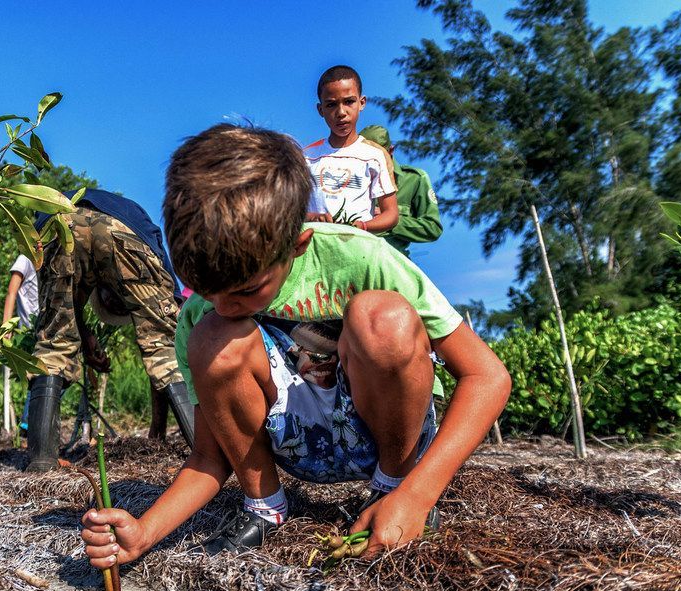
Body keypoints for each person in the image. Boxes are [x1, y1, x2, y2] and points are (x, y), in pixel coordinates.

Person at [80, 124, 510, 567]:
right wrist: (144, 533)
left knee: (383, 319)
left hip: (386, 432)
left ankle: (390, 488)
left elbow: (487, 376)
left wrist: (417, 493)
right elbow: (210, 456)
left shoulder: (361, 256)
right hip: (298, 445)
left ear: (298, 243)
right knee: (212, 336)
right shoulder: (206, 315)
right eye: (207, 292)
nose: (226, 307)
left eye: (246, 291)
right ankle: (266, 506)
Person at [24, 188, 195, 472]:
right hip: (125, 232)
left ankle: (41, 463)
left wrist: (158, 432)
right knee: (165, 346)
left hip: (58, 224)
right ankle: (207, 453)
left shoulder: (90, 278)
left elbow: (66, 313)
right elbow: (167, 338)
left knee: (54, 342)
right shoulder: (135, 217)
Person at [303, 65, 399, 234]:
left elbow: (391, 214)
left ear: (361, 103)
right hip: (313, 247)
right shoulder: (306, 157)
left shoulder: (375, 156)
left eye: (349, 102)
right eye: (331, 105)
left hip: (358, 249)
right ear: (320, 110)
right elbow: (289, 210)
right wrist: (312, 217)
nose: (341, 112)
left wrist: (363, 226)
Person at [358, 125, 443, 258]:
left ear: (390, 151)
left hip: (394, 264)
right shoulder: (349, 180)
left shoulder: (414, 179)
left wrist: (390, 219)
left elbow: (432, 228)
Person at [2, 254, 41, 432]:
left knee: (43, 376)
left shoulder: (52, 254)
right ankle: (28, 426)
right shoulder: (25, 258)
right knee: (37, 376)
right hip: (28, 331)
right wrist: (6, 326)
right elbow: (12, 291)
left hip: (45, 327)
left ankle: (30, 425)